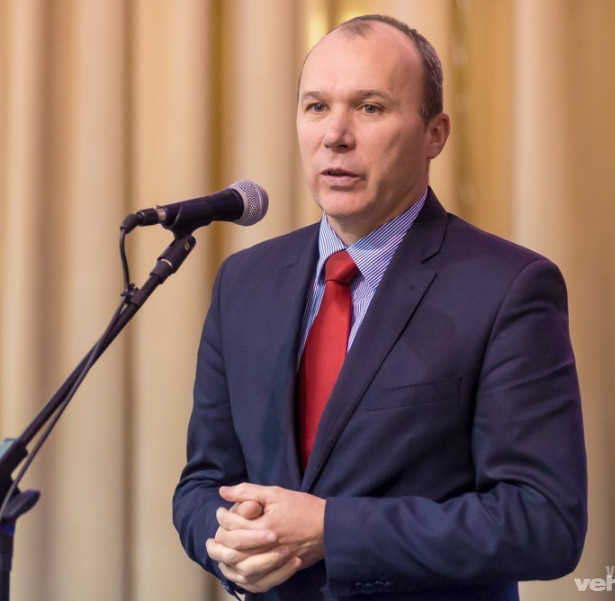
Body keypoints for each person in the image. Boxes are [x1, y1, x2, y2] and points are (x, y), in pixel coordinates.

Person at [172, 14, 586, 601]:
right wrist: (228, 544)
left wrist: (333, 530)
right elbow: (203, 483)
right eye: (317, 107)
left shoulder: (508, 288)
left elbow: (543, 521)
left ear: (435, 134)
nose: (335, 135)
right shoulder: (245, 281)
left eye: (370, 108)